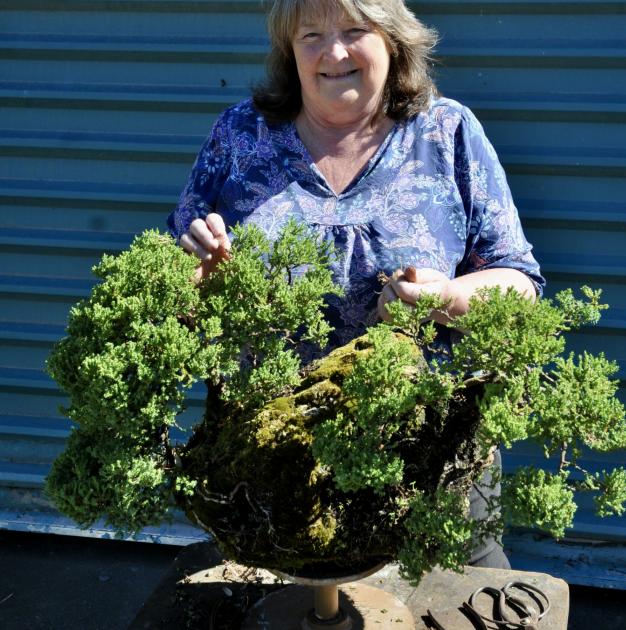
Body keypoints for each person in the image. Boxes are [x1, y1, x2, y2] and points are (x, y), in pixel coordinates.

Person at [167, 0, 545, 569]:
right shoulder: (240, 137)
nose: (333, 52)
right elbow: (168, 288)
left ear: (393, 41)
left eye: (353, 30)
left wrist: (442, 299)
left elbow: (520, 283)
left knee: (456, 593)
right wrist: (196, 273)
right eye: (311, 34)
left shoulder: (446, 134)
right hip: (276, 464)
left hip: (431, 458)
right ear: (289, 52)